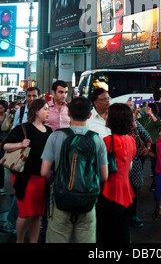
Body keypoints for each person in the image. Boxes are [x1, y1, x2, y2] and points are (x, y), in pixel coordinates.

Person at [40, 97, 108, 243]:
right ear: (89, 115)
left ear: (69, 113)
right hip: (88, 202)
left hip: (61, 199)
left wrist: (54, 179)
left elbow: (44, 172)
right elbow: (104, 176)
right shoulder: (97, 140)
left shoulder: (55, 136)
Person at [3, 98, 52, 243]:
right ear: (36, 111)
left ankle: (33, 241)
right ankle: (19, 240)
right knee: (26, 214)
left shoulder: (49, 131)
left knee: (37, 214)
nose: (48, 112)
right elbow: (5, 146)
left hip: (41, 177)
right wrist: (20, 144)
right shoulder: (23, 128)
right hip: (25, 177)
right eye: (45, 109)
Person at [97, 103, 136, 244]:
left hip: (109, 194)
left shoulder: (107, 141)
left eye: (109, 115)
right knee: (123, 235)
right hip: (127, 194)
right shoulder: (131, 141)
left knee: (105, 237)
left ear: (114, 119)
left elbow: (99, 169)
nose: (106, 117)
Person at [128, 102, 152, 227]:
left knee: (133, 190)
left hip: (135, 161)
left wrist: (148, 147)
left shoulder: (136, 124)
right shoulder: (117, 125)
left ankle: (133, 215)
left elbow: (146, 136)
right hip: (122, 163)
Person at [139, 102, 161, 189]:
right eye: (147, 108)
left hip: (153, 143)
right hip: (143, 142)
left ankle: (155, 184)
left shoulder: (156, 117)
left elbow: (158, 124)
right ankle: (138, 181)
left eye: (149, 108)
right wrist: (137, 113)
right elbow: (136, 121)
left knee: (154, 163)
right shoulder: (144, 118)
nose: (147, 109)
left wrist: (151, 115)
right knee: (141, 162)